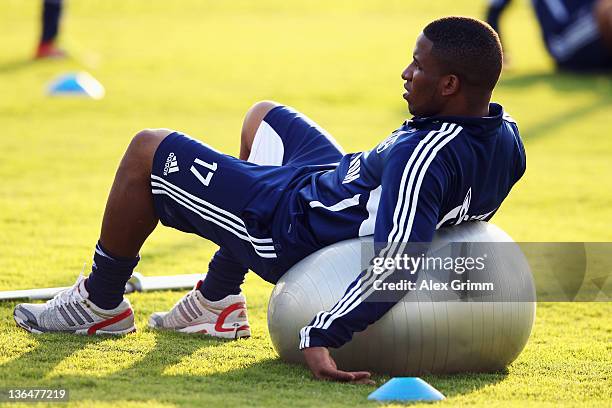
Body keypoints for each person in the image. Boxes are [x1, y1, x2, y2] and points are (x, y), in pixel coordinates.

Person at [14, 17, 526, 383]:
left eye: (418, 66)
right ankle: (218, 300)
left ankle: (99, 303)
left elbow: (398, 262)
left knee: (147, 149)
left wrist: (323, 332)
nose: (405, 73)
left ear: (452, 84)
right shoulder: (506, 137)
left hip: (292, 223)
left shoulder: (425, 156)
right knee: (264, 116)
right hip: (330, 180)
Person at [486, 0, 612, 71]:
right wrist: (497, 58)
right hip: (562, 42)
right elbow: (494, 10)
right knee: (607, 8)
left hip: (594, 38)